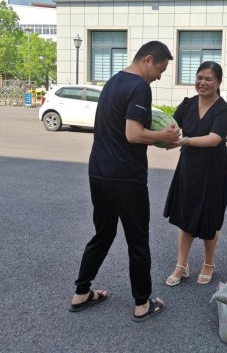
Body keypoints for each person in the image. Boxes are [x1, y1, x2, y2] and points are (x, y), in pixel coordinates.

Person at [69, 41, 180, 322]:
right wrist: (163, 136)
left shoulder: (113, 82)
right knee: (138, 241)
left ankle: (81, 292)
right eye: (160, 70)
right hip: (126, 178)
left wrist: (157, 137)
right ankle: (142, 304)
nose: (159, 76)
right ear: (148, 59)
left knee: (103, 234)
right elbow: (133, 134)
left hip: (99, 173)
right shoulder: (140, 87)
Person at [163, 61, 227, 286]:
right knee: (185, 214)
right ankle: (181, 265)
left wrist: (185, 141)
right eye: (199, 77)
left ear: (218, 82)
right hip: (189, 166)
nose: (202, 82)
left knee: (209, 216)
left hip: (213, 168)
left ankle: (208, 262)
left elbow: (214, 138)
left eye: (208, 79)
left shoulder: (223, 109)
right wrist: (160, 137)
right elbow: (172, 127)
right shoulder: (188, 103)